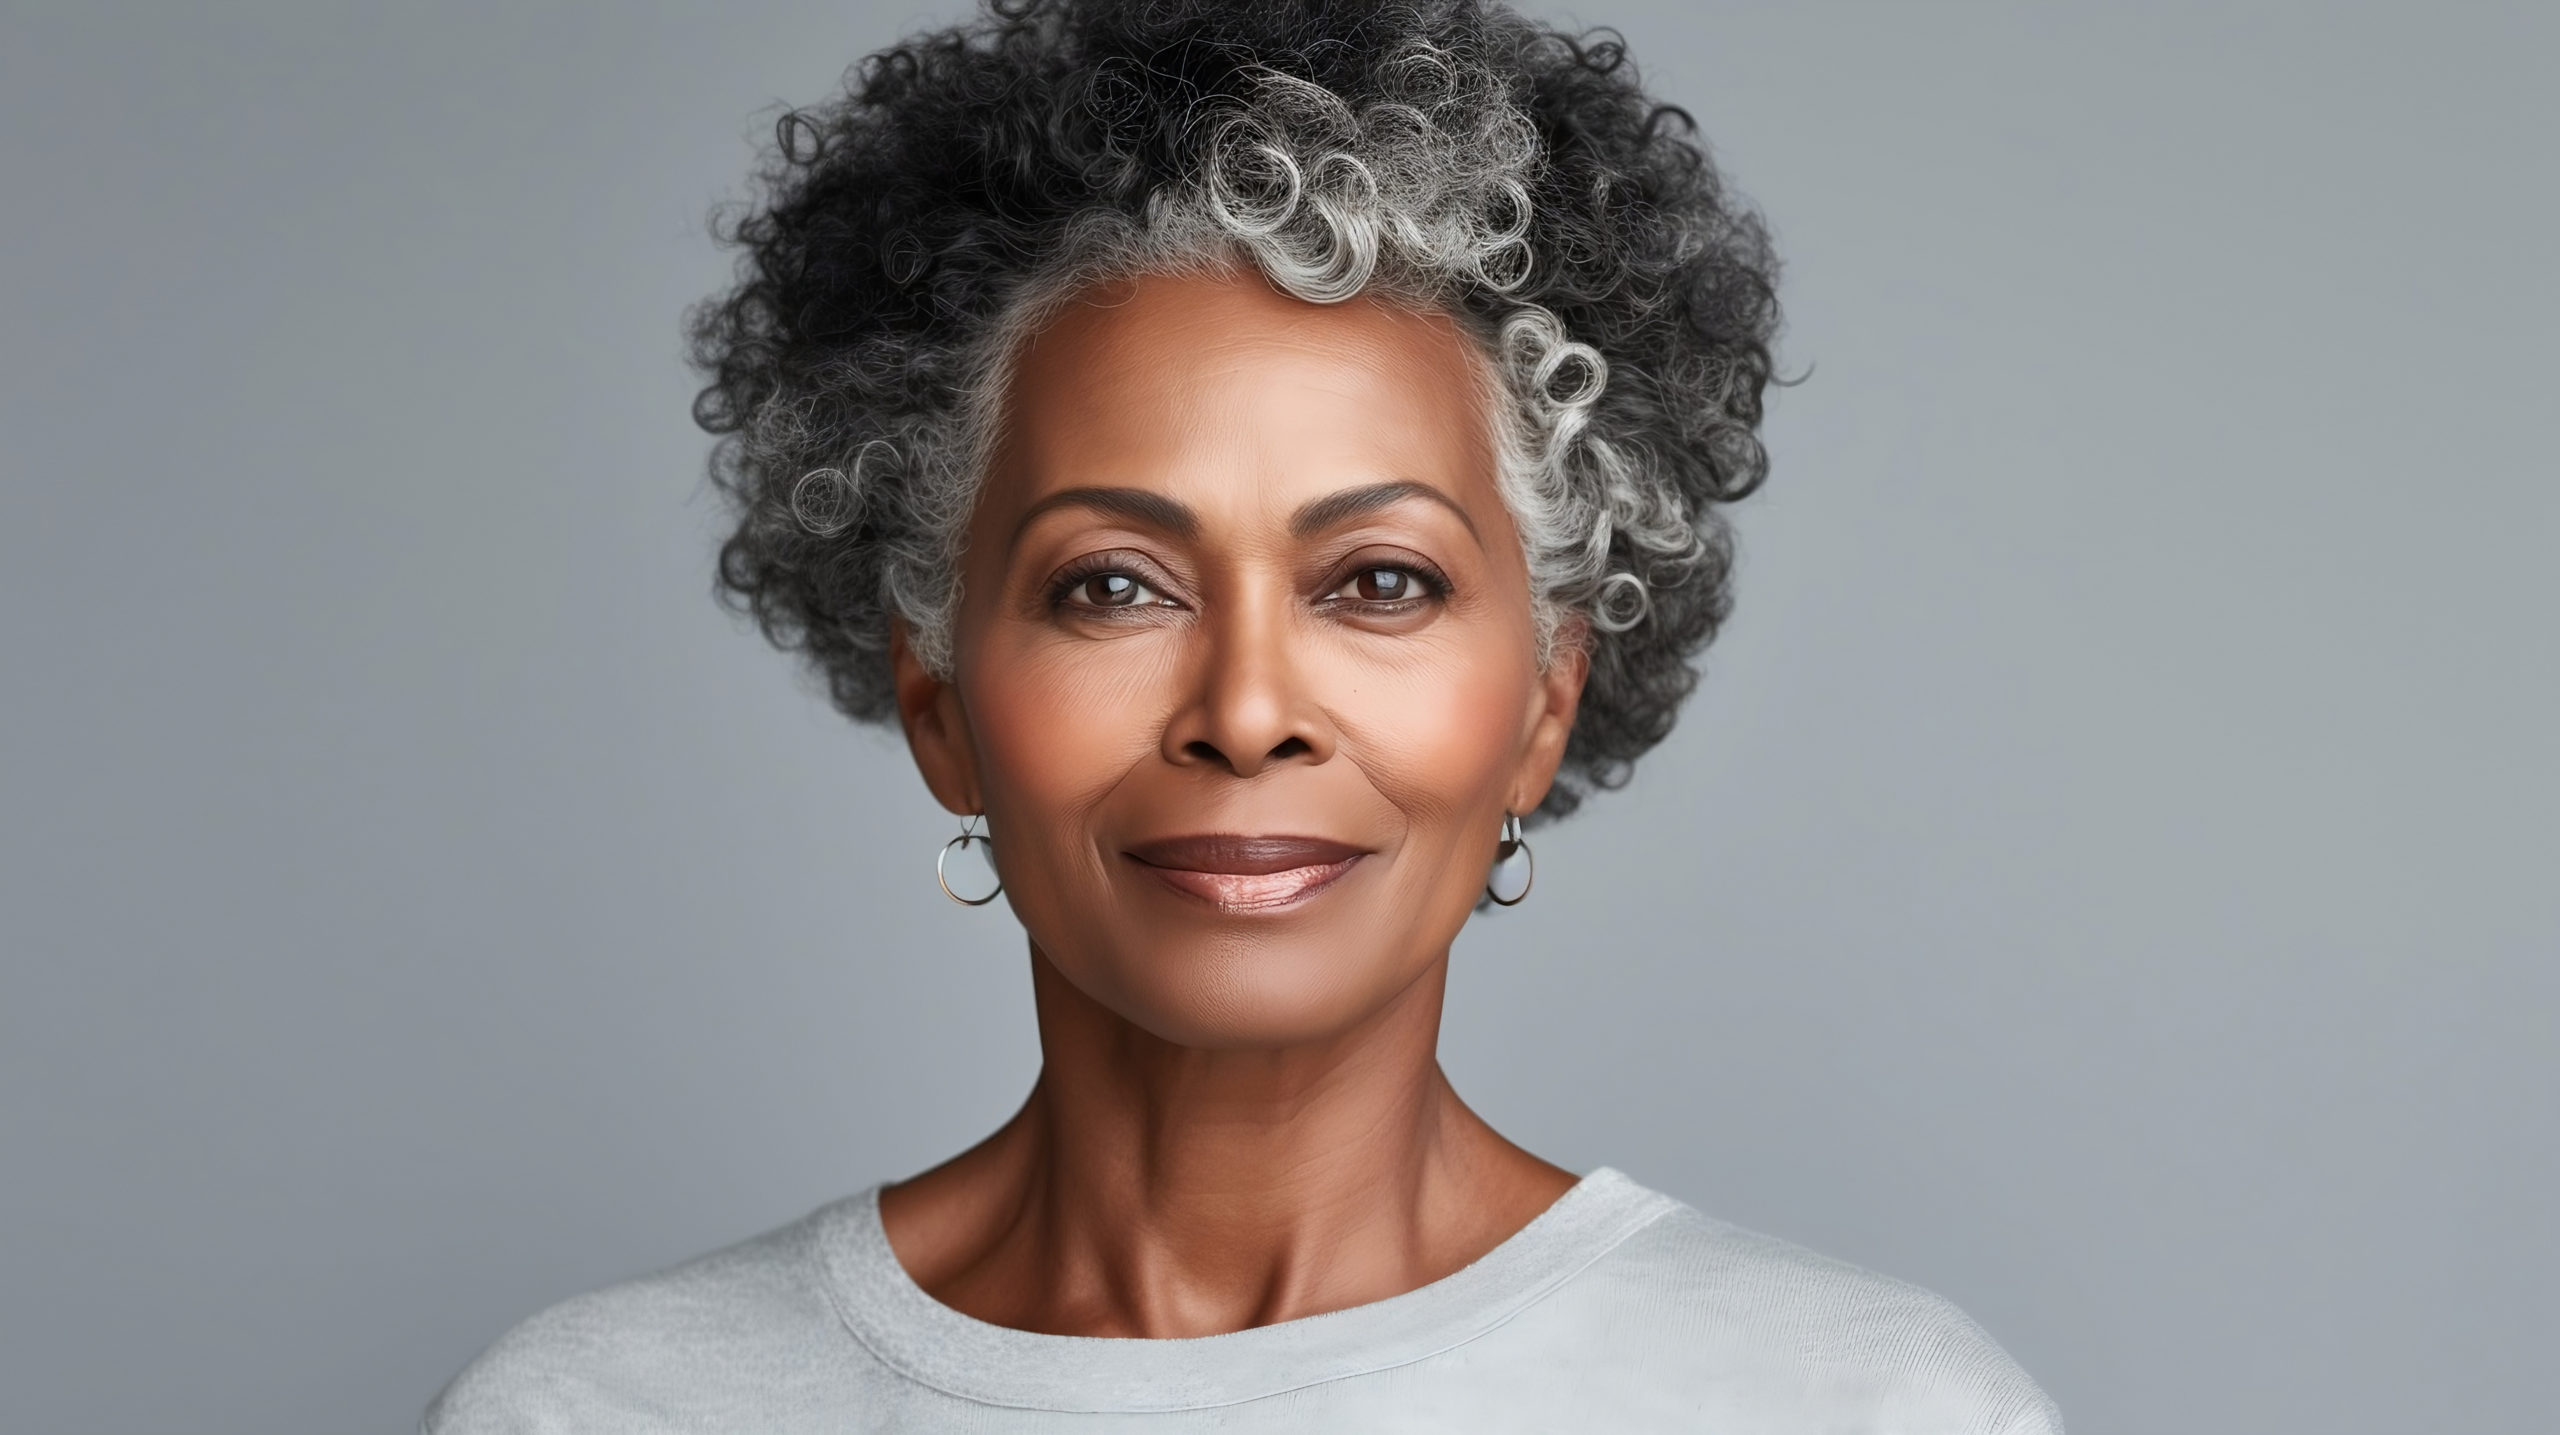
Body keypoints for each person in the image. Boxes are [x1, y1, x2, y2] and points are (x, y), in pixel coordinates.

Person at [427, 1, 2062, 1428]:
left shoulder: (1869, 1409)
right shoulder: (603, 1413)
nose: (1248, 710)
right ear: (939, 696)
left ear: (1545, 702)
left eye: (1379, 582)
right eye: (1115, 585)